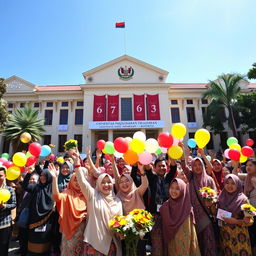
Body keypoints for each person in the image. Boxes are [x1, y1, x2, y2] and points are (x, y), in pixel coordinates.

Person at [72, 150, 123, 256]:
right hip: (93, 244)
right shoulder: (93, 195)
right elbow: (82, 181)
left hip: (111, 245)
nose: (106, 185)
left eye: (109, 182)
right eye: (103, 182)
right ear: (98, 184)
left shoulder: (117, 201)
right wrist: (77, 162)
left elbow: (120, 222)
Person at [111, 156, 148, 256]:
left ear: (131, 182)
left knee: (139, 251)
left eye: (126, 181)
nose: (124, 184)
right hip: (124, 231)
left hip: (139, 229)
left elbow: (144, 185)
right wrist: (113, 161)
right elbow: (116, 175)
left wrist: (142, 171)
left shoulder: (136, 192)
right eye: (121, 182)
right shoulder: (119, 194)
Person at [181, 154, 217, 256]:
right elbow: (184, 166)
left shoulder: (209, 179)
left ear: (203, 166)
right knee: (197, 242)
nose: (197, 167)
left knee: (208, 240)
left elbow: (215, 196)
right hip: (194, 217)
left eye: (199, 164)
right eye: (195, 165)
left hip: (206, 216)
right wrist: (183, 154)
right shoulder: (191, 177)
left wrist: (211, 201)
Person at [48, 163, 87, 256]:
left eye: (80, 180)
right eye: (75, 180)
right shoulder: (68, 193)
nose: (78, 183)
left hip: (84, 232)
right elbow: (56, 197)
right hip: (69, 231)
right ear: (71, 181)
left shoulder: (87, 195)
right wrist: (54, 179)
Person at [160, 178, 201, 256]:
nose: (173, 191)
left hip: (184, 244)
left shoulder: (187, 208)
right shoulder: (165, 206)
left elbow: (188, 235)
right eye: (172, 188)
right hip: (171, 243)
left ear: (183, 190)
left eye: (177, 189)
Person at [145, 158, 177, 256]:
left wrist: (172, 154)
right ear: (154, 168)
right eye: (159, 166)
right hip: (155, 215)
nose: (162, 168)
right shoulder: (152, 177)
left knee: (168, 240)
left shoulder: (168, 178)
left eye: (163, 166)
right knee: (157, 241)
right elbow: (147, 168)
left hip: (168, 214)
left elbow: (174, 167)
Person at [218, 174, 253, 255]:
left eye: (233, 183)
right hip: (225, 236)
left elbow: (251, 221)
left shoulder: (243, 200)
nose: (230, 186)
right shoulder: (221, 197)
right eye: (227, 183)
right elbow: (218, 214)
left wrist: (237, 221)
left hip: (240, 237)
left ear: (238, 185)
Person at [22, 167, 55, 256]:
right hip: (34, 220)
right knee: (33, 244)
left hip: (47, 221)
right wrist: (29, 174)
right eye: (41, 175)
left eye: (44, 175)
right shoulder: (36, 187)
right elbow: (25, 186)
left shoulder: (52, 188)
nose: (42, 177)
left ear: (48, 177)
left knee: (44, 245)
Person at [17, 172, 39, 256]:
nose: (32, 181)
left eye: (34, 179)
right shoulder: (25, 189)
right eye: (31, 179)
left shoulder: (36, 190)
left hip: (30, 219)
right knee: (22, 237)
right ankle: (22, 250)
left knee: (27, 239)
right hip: (22, 217)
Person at [0, 165, 16, 256]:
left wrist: (4, 206)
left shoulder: (10, 190)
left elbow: (14, 204)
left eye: (0, 175)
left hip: (4, 224)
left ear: (5, 176)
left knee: (3, 248)